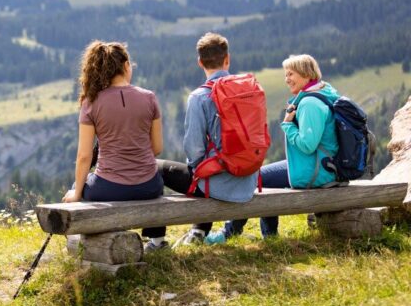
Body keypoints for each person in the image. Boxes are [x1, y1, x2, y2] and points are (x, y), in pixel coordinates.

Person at [212, 53, 340, 242]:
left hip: (315, 170)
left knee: (259, 179)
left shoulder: (310, 103)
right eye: (285, 74)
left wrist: (288, 124)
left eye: (291, 74)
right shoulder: (322, 92)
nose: (287, 79)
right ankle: (265, 236)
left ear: (306, 74)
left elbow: (307, 145)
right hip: (321, 165)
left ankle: (234, 233)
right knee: (260, 177)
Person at [62, 40, 166, 251]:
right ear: (126, 66)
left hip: (109, 188)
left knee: (77, 187)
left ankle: (82, 242)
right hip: (149, 185)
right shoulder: (149, 98)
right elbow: (156, 148)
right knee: (154, 173)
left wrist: (76, 192)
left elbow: (84, 156)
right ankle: (156, 242)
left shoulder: (91, 103)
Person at [159, 32, 259, 247]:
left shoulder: (199, 96)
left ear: (199, 62)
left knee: (157, 167)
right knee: (204, 168)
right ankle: (198, 231)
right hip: (249, 181)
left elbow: (194, 150)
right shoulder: (250, 90)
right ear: (227, 59)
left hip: (219, 186)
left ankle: (157, 240)